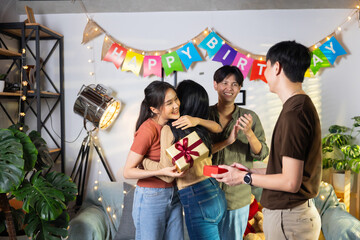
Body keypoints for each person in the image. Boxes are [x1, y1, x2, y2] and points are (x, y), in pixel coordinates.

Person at [212, 41, 322, 240]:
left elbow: (290, 182)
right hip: (290, 217)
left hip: (289, 218)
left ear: (277, 67)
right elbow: (286, 170)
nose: (265, 73)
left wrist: (243, 178)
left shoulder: (294, 114)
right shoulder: (297, 107)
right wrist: (249, 171)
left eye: (267, 66)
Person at [142, 80, 227, 240]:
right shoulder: (201, 128)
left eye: (176, 98)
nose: (175, 103)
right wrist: (198, 120)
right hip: (215, 190)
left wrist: (144, 161)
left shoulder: (170, 130)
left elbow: (168, 174)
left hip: (195, 194)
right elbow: (218, 128)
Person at [209, 65, 269, 240]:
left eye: (235, 84)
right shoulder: (204, 115)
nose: (229, 88)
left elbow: (262, 153)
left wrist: (249, 132)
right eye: (224, 82)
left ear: (240, 88)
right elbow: (196, 152)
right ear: (215, 84)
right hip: (206, 194)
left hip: (237, 197)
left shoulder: (250, 117)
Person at [123, 81, 185, 240]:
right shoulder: (147, 129)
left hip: (174, 194)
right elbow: (127, 171)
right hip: (151, 196)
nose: (176, 105)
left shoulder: (173, 126)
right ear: (154, 109)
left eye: (176, 99)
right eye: (169, 103)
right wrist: (161, 171)